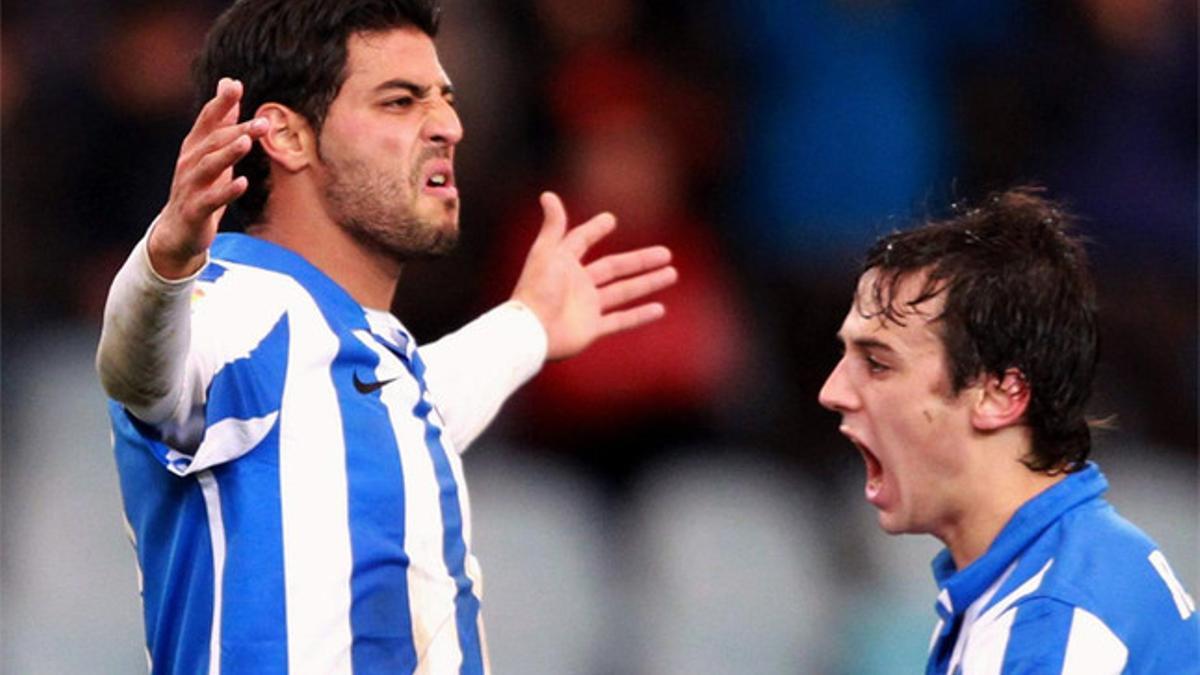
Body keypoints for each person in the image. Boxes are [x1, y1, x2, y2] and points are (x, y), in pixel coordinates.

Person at [94, 1, 676, 672]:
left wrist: (529, 324)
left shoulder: (358, 355)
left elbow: (404, 407)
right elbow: (138, 369)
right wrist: (162, 265)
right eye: (400, 102)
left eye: (445, 99)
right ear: (285, 137)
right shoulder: (233, 304)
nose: (450, 126)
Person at [818, 187, 1198, 673]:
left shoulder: (1054, 622)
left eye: (876, 363)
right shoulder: (1034, 577)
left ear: (1001, 394)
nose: (832, 391)